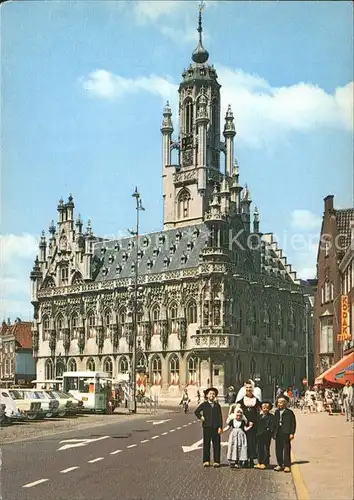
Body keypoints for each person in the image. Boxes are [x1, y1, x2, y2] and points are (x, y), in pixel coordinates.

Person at [194, 387, 223, 468]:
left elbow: (220, 417)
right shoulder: (204, 404)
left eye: (213, 394)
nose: (212, 395)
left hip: (215, 427)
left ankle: (216, 461)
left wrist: (220, 427)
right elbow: (196, 412)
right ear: (207, 395)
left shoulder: (217, 406)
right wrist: (201, 417)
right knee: (206, 444)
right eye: (210, 394)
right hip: (207, 427)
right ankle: (206, 461)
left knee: (216, 445)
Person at [237, 380, 261, 468]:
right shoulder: (241, 401)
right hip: (244, 423)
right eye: (247, 387)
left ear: (253, 388)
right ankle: (244, 459)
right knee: (243, 441)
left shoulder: (256, 400)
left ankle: (251, 459)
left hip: (254, 424)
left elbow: (260, 411)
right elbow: (237, 411)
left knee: (252, 441)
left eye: (250, 387)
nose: (248, 389)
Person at [273, 395, 296, 473]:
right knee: (278, 448)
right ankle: (279, 464)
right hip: (278, 431)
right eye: (278, 402)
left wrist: (292, 433)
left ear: (285, 403)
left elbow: (293, 423)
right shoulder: (276, 412)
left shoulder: (289, 412)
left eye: (281, 402)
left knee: (286, 448)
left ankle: (287, 465)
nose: (279, 404)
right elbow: (274, 423)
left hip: (286, 432)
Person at [255, 401, 275, 469]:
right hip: (259, 434)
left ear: (269, 408)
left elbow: (272, 425)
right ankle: (259, 462)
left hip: (266, 435)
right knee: (259, 448)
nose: (265, 409)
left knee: (265, 448)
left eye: (267, 408)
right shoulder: (259, 416)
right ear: (261, 408)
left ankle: (265, 463)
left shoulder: (271, 416)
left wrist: (269, 430)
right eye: (264, 408)